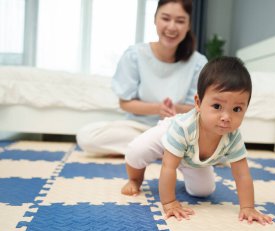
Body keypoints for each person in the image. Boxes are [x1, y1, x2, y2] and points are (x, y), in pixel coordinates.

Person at [122, 56, 273, 225]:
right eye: (217, 106)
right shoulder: (183, 127)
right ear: (198, 103)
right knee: (137, 150)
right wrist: (169, 202)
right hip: (169, 134)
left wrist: (247, 207)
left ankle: (184, 164)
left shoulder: (233, 136)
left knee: (204, 191)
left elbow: (242, 174)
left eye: (237, 109)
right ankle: (135, 179)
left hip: (192, 157)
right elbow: (168, 166)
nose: (226, 117)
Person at [76, 0, 208, 155]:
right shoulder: (135, 55)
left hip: (178, 129)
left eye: (180, 21)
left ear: (188, 25)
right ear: (155, 19)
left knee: (218, 144)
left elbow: (197, 107)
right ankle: (168, 151)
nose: (172, 27)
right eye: (165, 18)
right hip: (138, 128)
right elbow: (125, 103)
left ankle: (150, 150)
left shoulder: (198, 63)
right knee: (87, 136)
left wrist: (175, 109)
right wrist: (158, 108)